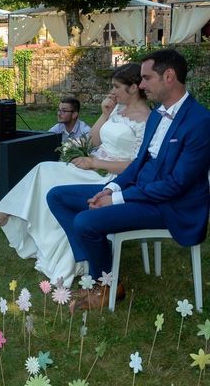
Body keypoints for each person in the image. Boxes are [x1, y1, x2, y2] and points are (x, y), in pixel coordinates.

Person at [47, 49, 210, 308]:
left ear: (169, 76)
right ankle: (99, 270)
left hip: (169, 206)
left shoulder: (200, 121)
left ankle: (104, 284)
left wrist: (118, 198)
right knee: (57, 196)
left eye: (146, 78)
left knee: (85, 222)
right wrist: (111, 188)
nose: (142, 85)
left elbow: (176, 185)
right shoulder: (158, 115)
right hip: (139, 191)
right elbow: (138, 163)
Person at [0, 63, 150, 286]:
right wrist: (105, 115)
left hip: (111, 178)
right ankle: (5, 213)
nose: (112, 92)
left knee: (48, 179)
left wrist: (95, 163)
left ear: (133, 88)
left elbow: (137, 166)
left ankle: (5, 213)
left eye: (116, 87)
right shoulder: (117, 111)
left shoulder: (148, 120)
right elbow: (93, 140)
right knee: (45, 169)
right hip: (92, 165)